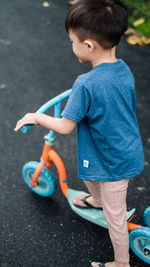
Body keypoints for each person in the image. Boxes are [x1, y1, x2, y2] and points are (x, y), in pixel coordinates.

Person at [15, 0, 145, 266]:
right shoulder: (123, 70)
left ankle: (121, 262)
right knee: (89, 175)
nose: (71, 46)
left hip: (111, 162)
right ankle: (96, 200)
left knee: (116, 218)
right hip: (125, 150)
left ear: (88, 45)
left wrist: (37, 116)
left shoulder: (85, 84)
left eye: (72, 41)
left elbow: (65, 126)